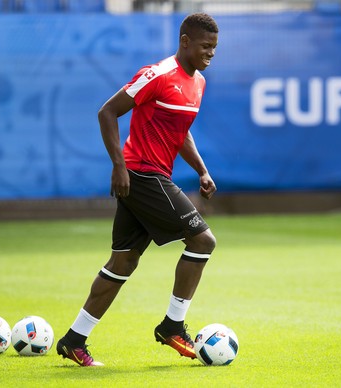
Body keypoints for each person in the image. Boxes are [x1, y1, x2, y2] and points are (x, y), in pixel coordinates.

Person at [56, 13, 220, 367]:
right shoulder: (158, 74)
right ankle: (172, 325)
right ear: (185, 40)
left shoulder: (199, 83)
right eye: (205, 46)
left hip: (150, 176)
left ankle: (74, 339)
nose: (211, 53)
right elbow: (107, 112)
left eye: (215, 47)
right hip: (142, 174)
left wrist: (202, 170)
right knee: (203, 241)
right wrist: (118, 166)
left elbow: (180, 132)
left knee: (123, 261)